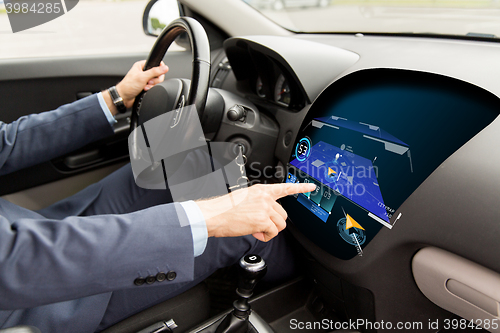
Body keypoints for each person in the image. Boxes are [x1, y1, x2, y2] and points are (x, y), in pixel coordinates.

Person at [0, 60, 315, 332]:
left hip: (31, 230)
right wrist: (211, 216)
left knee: (195, 165)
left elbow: (5, 143)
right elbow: (16, 261)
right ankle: (312, 291)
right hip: (33, 297)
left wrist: (116, 98)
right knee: (244, 230)